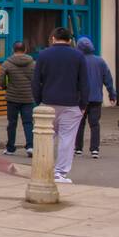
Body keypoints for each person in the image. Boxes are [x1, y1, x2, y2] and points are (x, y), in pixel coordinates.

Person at [33, 27, 88, 184]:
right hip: (71, 104)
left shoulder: (44, 55)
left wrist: (39, 100)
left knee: (46, 137)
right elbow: (84, 82)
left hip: (47, 102)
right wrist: (83, 104)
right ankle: (60, 173)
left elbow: (36, 81)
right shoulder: (78, 56)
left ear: (53, 38)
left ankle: (43, 169)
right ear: (70, 40)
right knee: (67, 139)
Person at [75, 36, 115, 159]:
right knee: (95, 124)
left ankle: (78, 148)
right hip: (96, 98)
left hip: (81, 98)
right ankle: (94, 149)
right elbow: (108, 79)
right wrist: (112, 94)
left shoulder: (78, 61)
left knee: (79, 124)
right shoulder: (100, 61)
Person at [0, 41, 36, 156]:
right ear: (25, 50)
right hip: (28, 98)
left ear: (13, 50)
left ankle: (10, 148)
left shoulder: (7, 63)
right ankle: (30, 146)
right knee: (28, 122)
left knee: (12, 123)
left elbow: (2, 80)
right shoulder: (33, 63)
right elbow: (37, 79)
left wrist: (5, 87)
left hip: (12, 97)